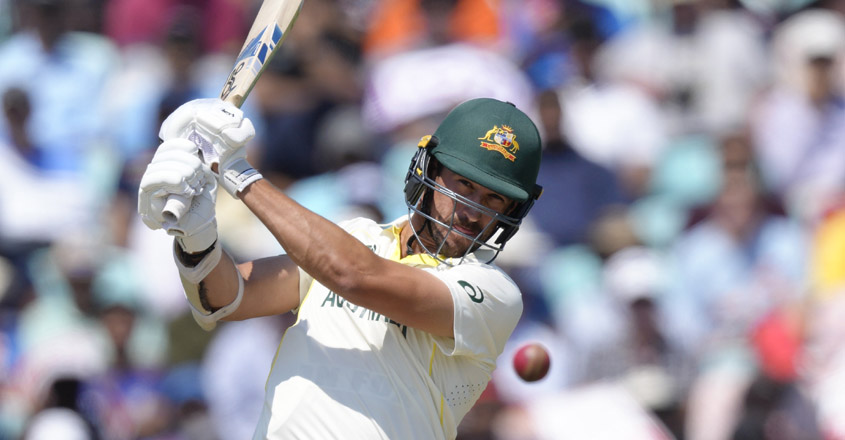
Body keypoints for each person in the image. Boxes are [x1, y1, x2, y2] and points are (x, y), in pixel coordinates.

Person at [136, 96, 543, 439]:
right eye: (464, 185)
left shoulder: (492, 292)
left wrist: (236, 171)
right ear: (430, 170)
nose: (473, 211)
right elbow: (225, 300)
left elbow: (355, 276)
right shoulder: (357, 237)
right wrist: (197, 234)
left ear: (511, 212)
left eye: (494, 200)